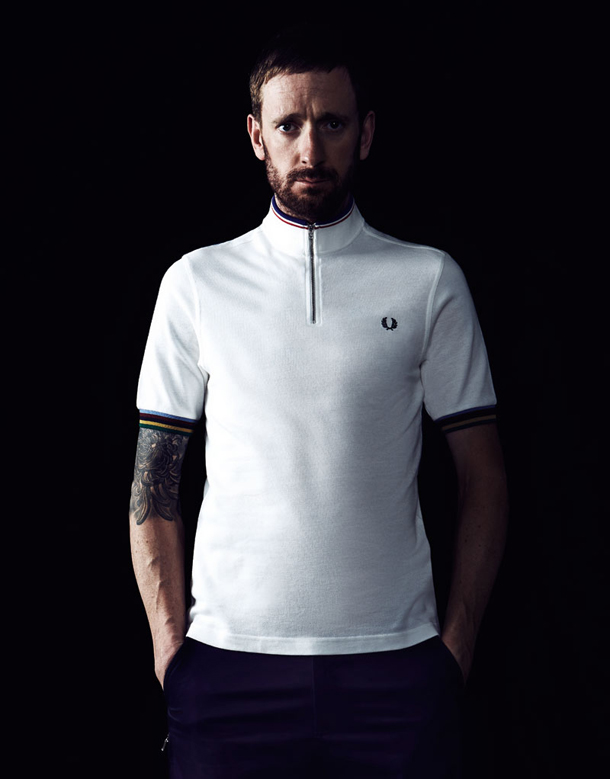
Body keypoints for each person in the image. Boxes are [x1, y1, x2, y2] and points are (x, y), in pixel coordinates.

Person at [129, 26, 509, 779]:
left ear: (364, 134)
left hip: (396, 671)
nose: (310, 149)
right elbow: (153, 484)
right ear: (256, 136)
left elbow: (484, 477)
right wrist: (171, 649)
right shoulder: (196, 283)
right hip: (227, 670)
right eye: (289, 125)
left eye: (332, 123)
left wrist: (455, 648)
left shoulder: (429, 279)